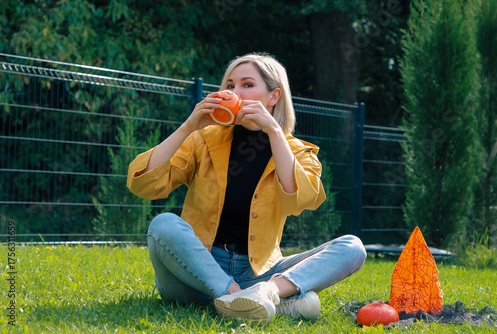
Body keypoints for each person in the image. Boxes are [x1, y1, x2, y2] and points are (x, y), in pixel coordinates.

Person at [127, 53, 366, 325]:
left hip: (260, 272)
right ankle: (241, 298)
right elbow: (144, 184)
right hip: (194, 271)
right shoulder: (203, 139)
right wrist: (188, 126)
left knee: (352, 247)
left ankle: (267, 293)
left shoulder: (299, 152)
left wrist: (275, 133)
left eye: (247, 85)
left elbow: (298, 202)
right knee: (164, 224)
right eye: (229, 86)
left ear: (273, 96)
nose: (234, 92)